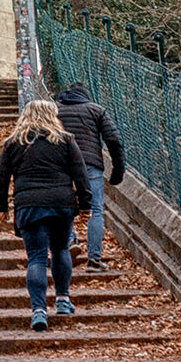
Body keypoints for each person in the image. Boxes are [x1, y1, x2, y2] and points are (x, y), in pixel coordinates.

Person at [0, 99, 91, 333]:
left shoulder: (13, 143)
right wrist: (86, 205)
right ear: (53, 115)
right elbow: (81, 175)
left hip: (29, 206)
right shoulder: (66, 141)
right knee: (60, 250)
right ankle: (63, 300)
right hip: (61, 204)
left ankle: (38, 310)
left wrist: (0, 205)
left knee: (36, 257)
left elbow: (2, 177)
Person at [53, 82, 125, 273]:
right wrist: (118, 170)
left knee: (63, 206)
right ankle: (94, 260)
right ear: (86, 96)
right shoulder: (96, 110)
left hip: (62, 164)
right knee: (95, 210)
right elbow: (113, 140)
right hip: (90, 164)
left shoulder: (55, 110)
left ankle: (69, 240)